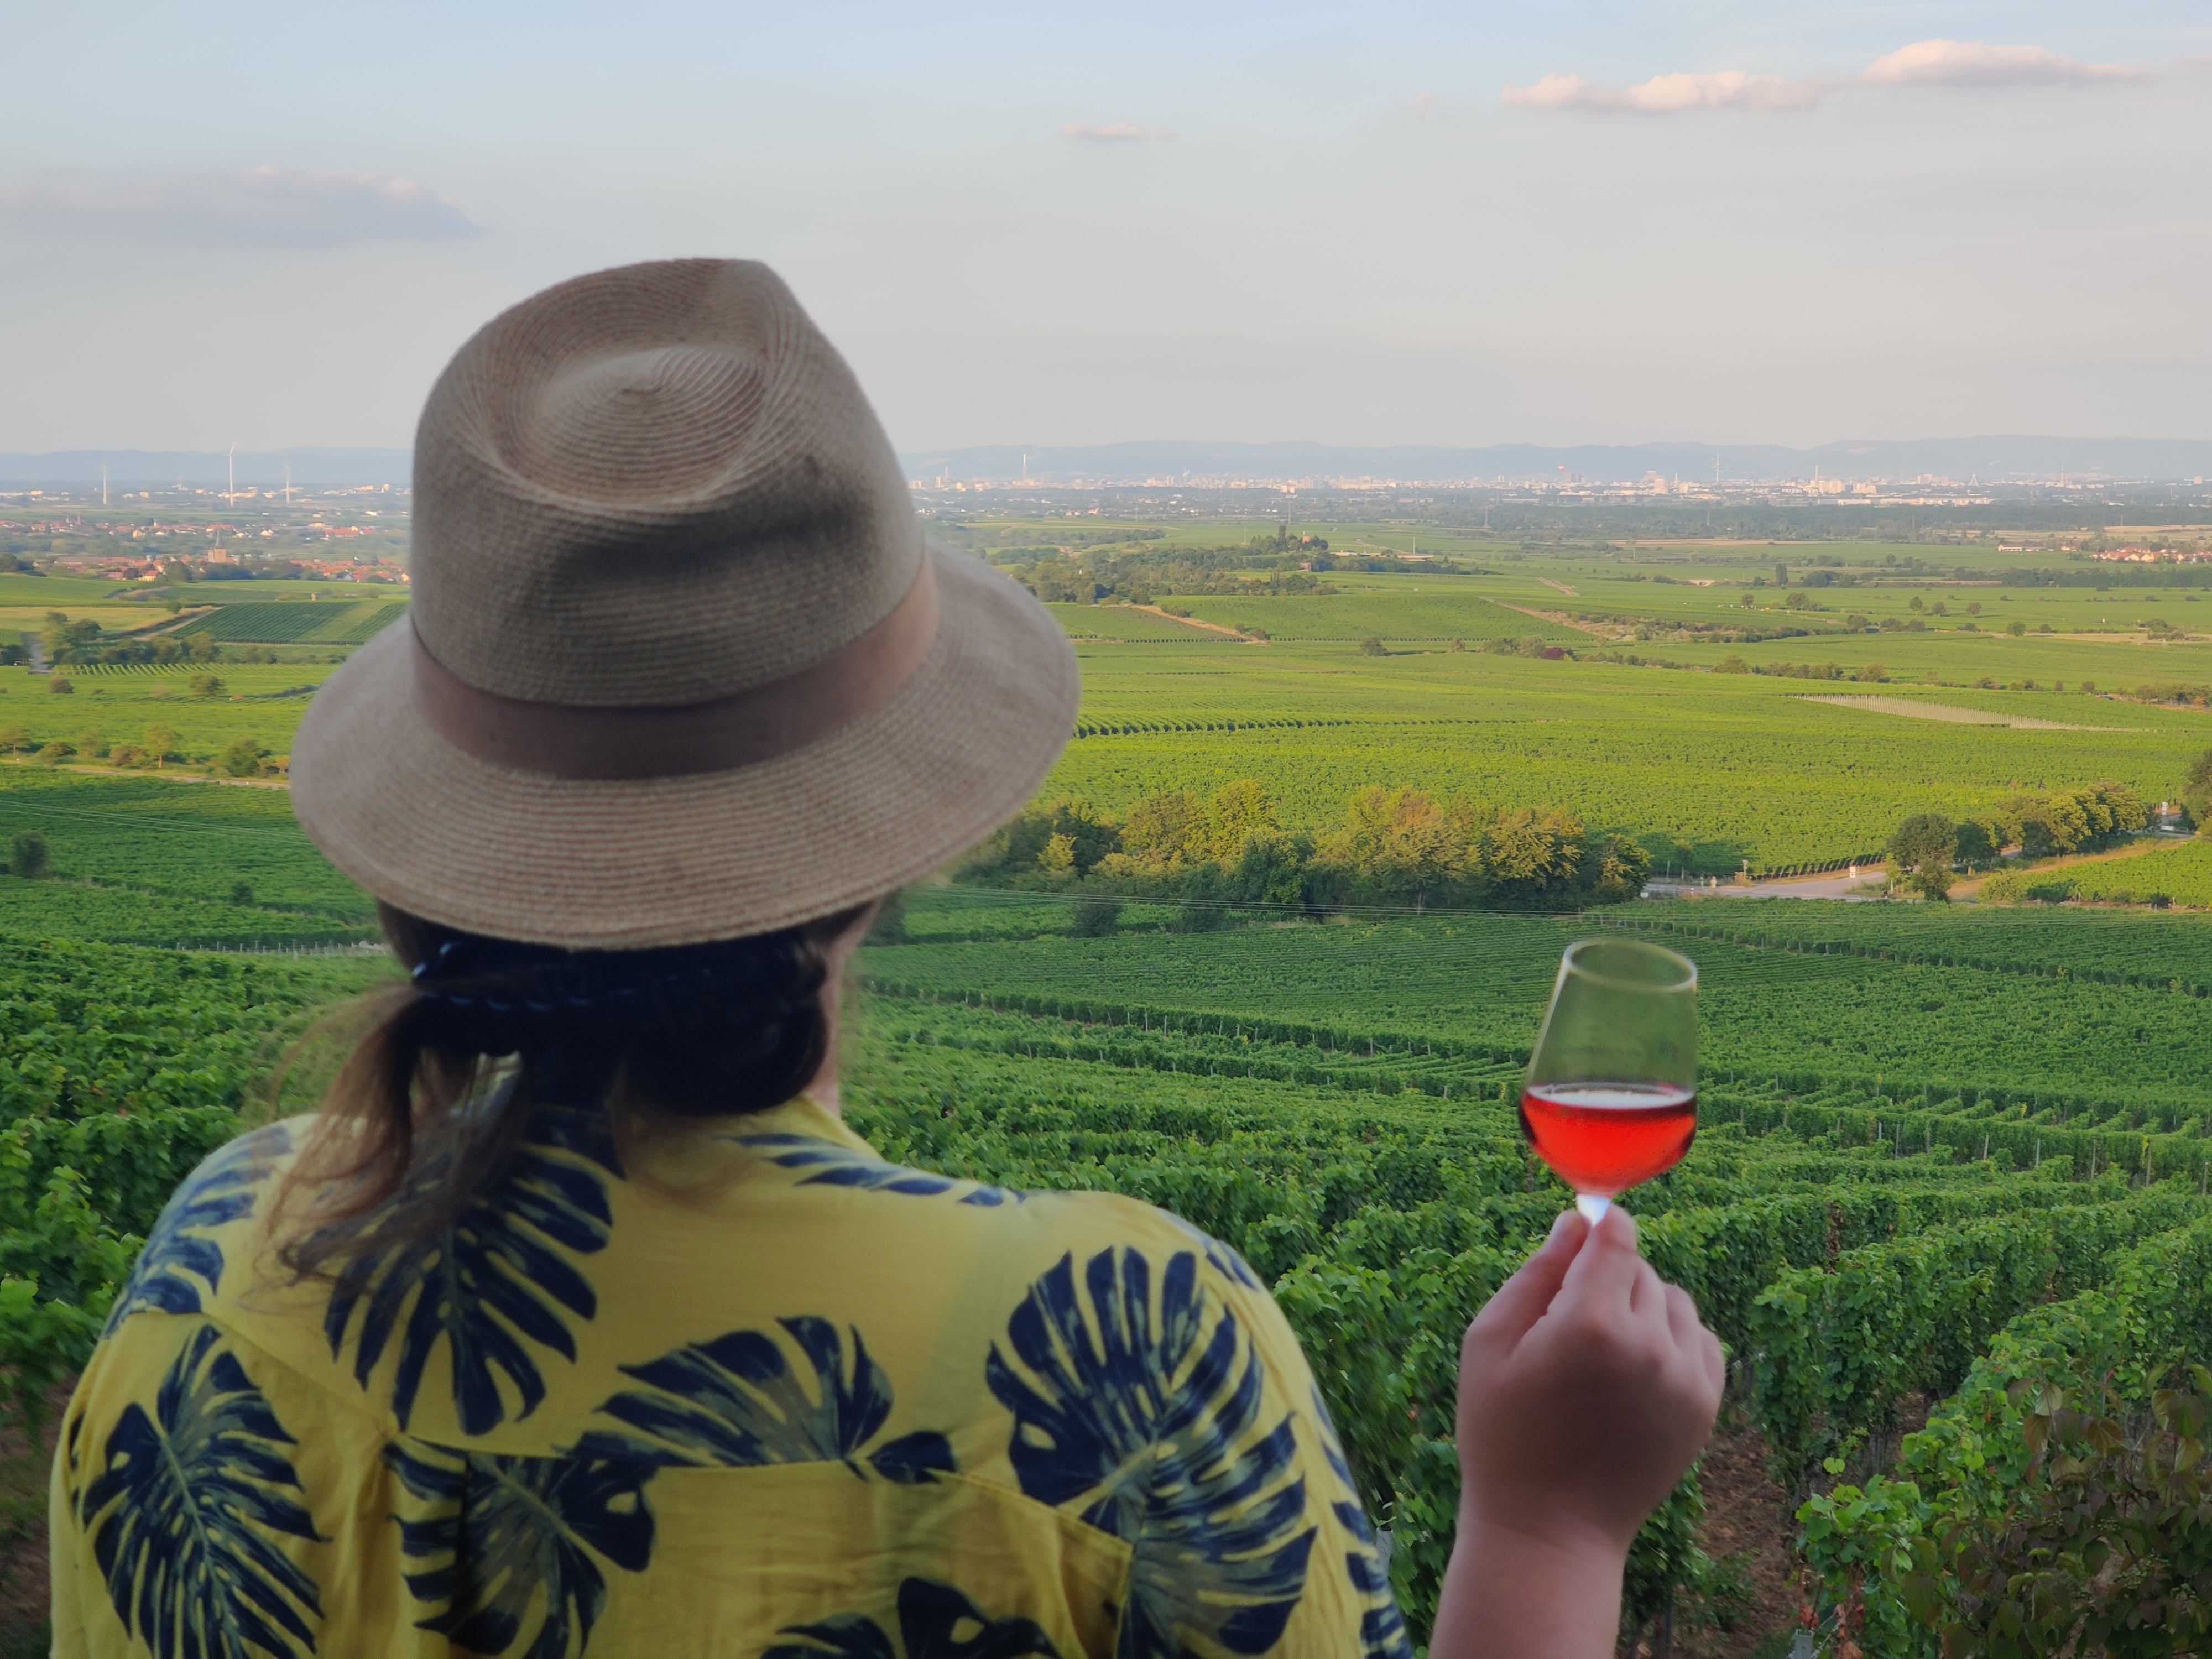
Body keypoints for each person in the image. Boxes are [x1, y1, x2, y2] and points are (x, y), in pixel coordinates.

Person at [47, 259, 1722, 1658]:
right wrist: (1552, 1527)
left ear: (437, 857)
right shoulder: (1128, 1352)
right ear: (881, 855)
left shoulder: (214, 1269)